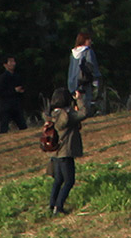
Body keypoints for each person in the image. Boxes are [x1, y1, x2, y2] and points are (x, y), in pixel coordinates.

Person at [43, 87, 84, 216]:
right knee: (69, 181)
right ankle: (59, 206)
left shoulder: (51, 115)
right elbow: (84, 113)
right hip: (65, 152)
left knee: (58, 180)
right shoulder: (67, 115)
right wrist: (79, 99)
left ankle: (52, 203)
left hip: (55, 152)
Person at [67, 32, 102, 118]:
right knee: (87, 106)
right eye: (88, 39)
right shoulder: (88, 52)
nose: (90, 41)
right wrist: (96, 80)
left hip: (73, 83)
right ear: (84, 41)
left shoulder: (73, 53)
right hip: (85, 81)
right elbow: (92, 67)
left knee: (78, 106)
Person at [0, 55, 26, 131]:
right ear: (5, 65)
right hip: (6, 106)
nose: (13, 64)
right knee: (4, 127)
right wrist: (14, 90)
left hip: (16, 105)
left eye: (14, 61)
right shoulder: (2, 78)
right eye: (11, 62)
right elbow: (0, 92)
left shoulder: (17, 76)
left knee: (23, 126)